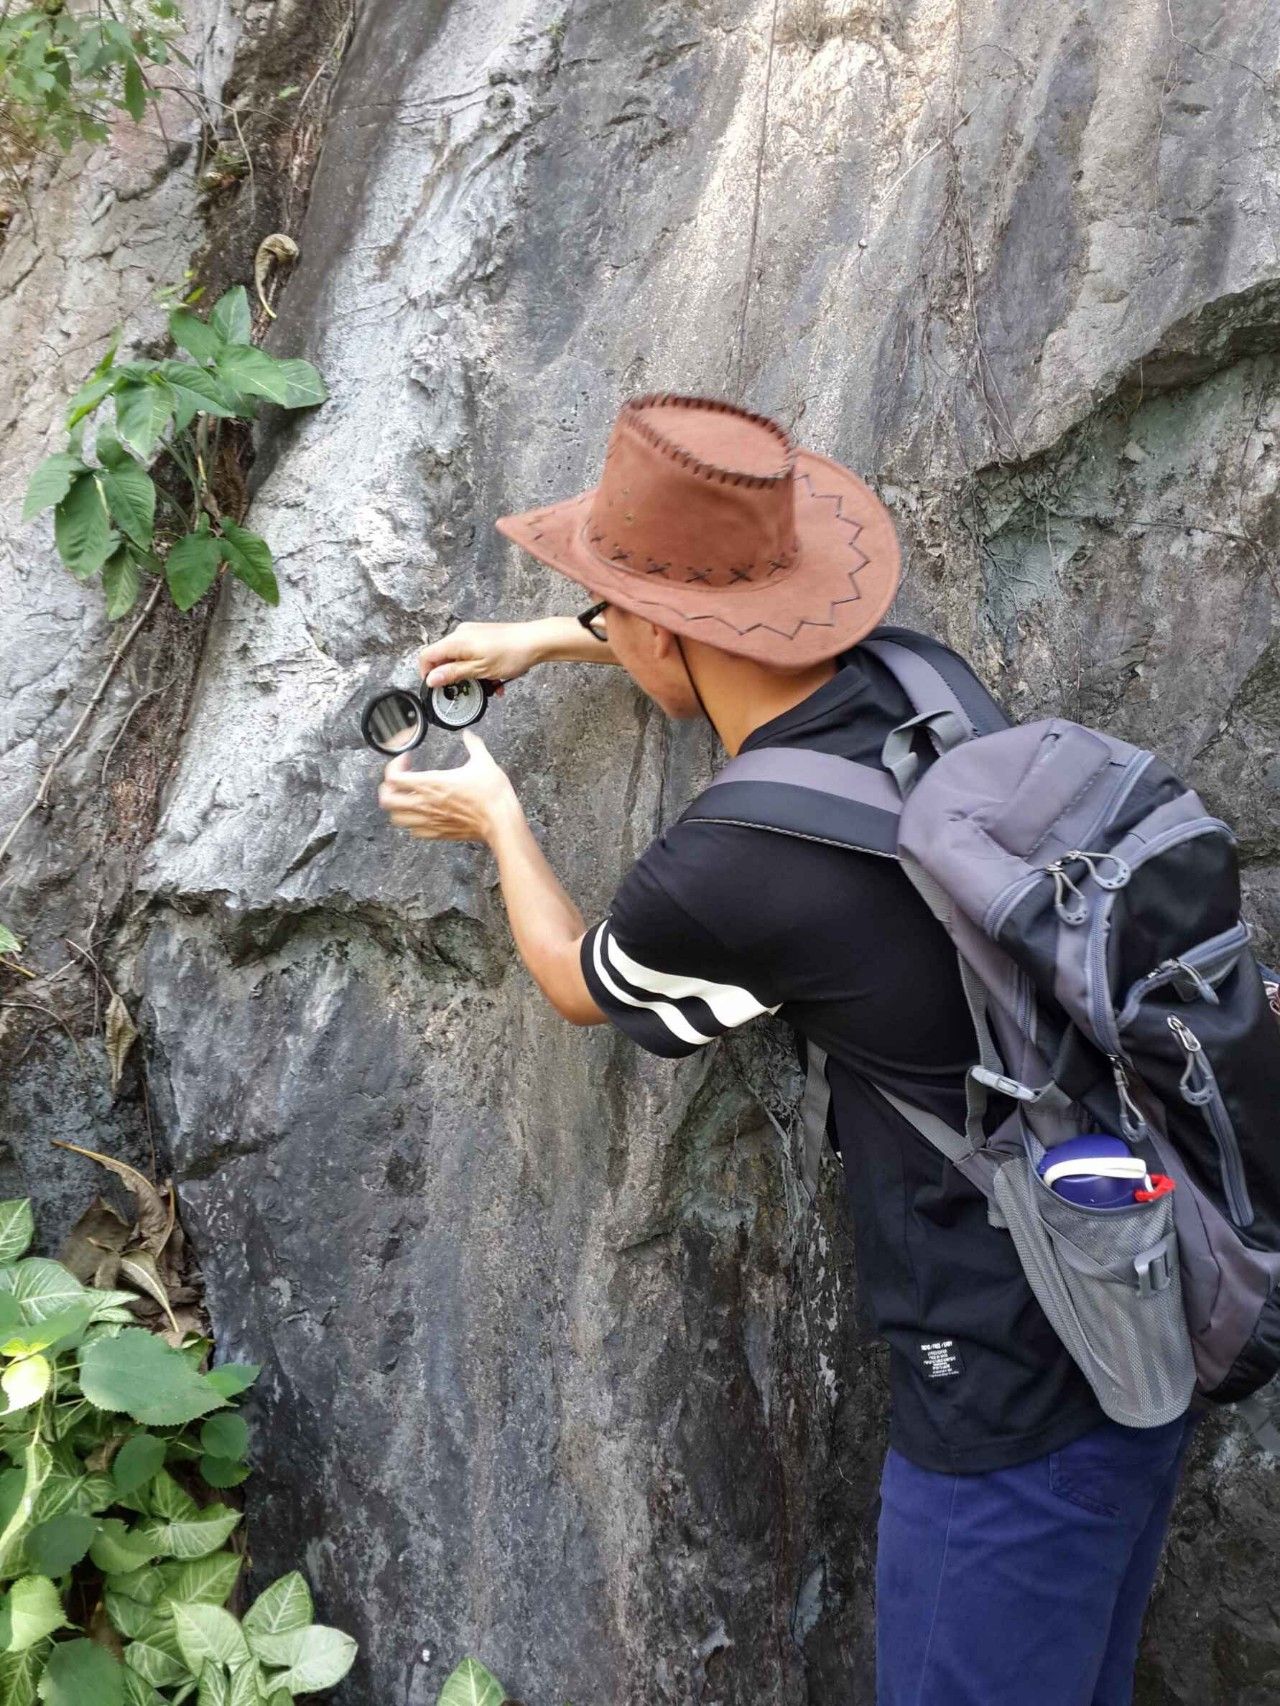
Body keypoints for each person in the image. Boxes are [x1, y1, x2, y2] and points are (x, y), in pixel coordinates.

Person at [376, 394, 1196, 1706]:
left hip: (1001, 1389)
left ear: (661, 626)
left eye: (612, 600)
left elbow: (584, 980)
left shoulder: (722, 874)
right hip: (1142, 1282)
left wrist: (495, 819)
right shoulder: (926, 681)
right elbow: (728, 656)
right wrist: (559, 638)